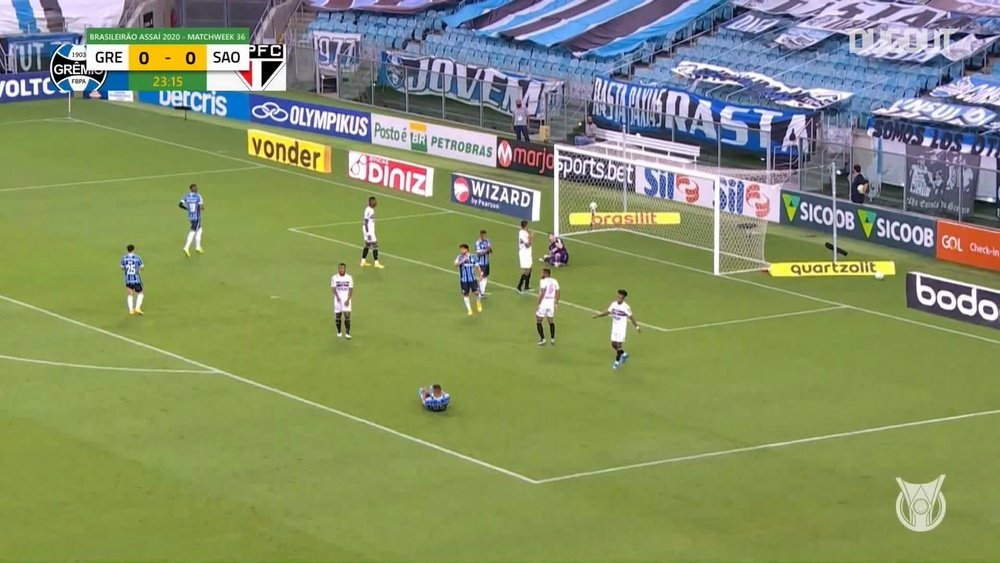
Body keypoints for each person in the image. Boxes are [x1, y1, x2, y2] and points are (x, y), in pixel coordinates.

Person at [592, 289, 641, 370]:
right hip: (614, 328)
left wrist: (637, 327)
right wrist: (598, 316)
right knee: (613, 344)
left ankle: (617, 362)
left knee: (618, 345)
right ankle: (624, 354)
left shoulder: (626, 307)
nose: (618, 298)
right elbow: (608, 312)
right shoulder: (614, 304)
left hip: (621, 329)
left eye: (620, 297)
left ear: (623, 298)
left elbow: (631, 317)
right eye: (618, 296)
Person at [455, 243, 483, 316]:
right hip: (463, 280)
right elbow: (455, 265)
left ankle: (478, 302)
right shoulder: (459, 257)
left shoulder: (473, 257)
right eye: (460, 249)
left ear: (466, 249)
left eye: (462, 249)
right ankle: (469, 309)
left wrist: (480, 275)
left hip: (472, 279)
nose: (461, 251)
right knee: (466, 294)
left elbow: (478, 267)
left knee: (476, 292)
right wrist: (463, 260)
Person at [535, 268, 560, 345]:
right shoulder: (555, 281)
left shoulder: (543, 281)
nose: (541, 274)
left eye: (543, 273)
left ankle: (543, 339)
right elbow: (558, 292)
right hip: (551, 302)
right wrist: (556, 303)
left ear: (546, 273)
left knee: (539, 320)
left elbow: (542, 293)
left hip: (544, 302)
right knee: (551, 321)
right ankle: (552, 339)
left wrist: (538, 304)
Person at [179, 183, 204, 257]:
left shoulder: (186, 196)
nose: (196, 189)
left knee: (199, 230)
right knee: (193, 231)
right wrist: (202, 207)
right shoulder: (198, 196)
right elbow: (202, 207)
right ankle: (186, 247)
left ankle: (198, 247)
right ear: (195, 189)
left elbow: (180, 204)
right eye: (196, 188)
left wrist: (187, 209)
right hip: (197, 217)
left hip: (190, 216)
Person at [120, 244, 145, 316]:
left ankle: (131, 310)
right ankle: (137, 308)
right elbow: (142, 267)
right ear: (134, 249)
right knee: (141, 292)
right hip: (136, 278)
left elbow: (122, 268)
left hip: (128, 278)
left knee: (130, 293)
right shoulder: (137, 258)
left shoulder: (124, 258)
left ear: (127, 250)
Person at [331, 262, 354, 339]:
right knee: (338, 315)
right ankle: (339, 331)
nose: (341, 270)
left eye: (342, 268)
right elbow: (333, 288)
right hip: (338, 300)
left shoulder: (349, 277)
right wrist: (337, 297)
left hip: (346, 299)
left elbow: (351, 289)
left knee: (347, 315)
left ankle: (347, 333)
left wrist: (348, 299)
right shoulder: (334, 277)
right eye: (340, 268)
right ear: (338, 269)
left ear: (345, 269)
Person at [361, 196, 384, 268]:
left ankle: (363, 261)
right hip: (369, 231)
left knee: (367, 245)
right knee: (375, 246)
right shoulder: (369, 210)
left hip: (369, 230)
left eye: (375, 201)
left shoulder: (371, 210)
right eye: (373, 201)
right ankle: (376, 263)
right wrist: (368, 233)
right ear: (370, 202)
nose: (375, 202)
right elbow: (366, 221)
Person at [516, 220, 534, 293]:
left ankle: (526, 286)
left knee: (530, 269)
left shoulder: (525, 233)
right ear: (526, 225)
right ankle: (519, 287)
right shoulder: (522, 234)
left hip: (527, 253)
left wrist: (530, 237)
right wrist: (531, 238)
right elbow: (527, 245)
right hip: (524, 253)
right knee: (526, 271)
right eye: (528, 225)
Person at [475, 230, 492, 297]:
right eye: (484, 235)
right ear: (481, 235)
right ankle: (480, 293)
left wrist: (490, 249)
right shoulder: (478, 243)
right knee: (482, 277)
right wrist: (486, 250)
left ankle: (482, 291)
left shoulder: (487, 241)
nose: (485, 237)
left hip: (487, 262)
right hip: (481, 263)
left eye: (486, 235)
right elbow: (478, 254)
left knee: (486, 276)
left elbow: (490, 251)